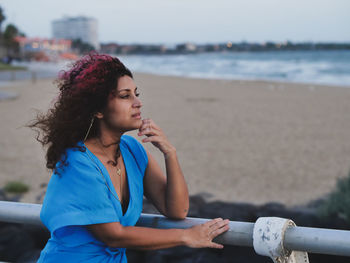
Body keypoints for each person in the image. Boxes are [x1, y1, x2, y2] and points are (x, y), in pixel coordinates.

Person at [30, 53, 230, 262]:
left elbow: (177, 210)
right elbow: (113, 236)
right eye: (125, 96)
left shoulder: (132, 149)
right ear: (98, 109)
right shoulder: (77, 161)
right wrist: (187, 236)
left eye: (136, 93)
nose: (138, 103)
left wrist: (169, 153)